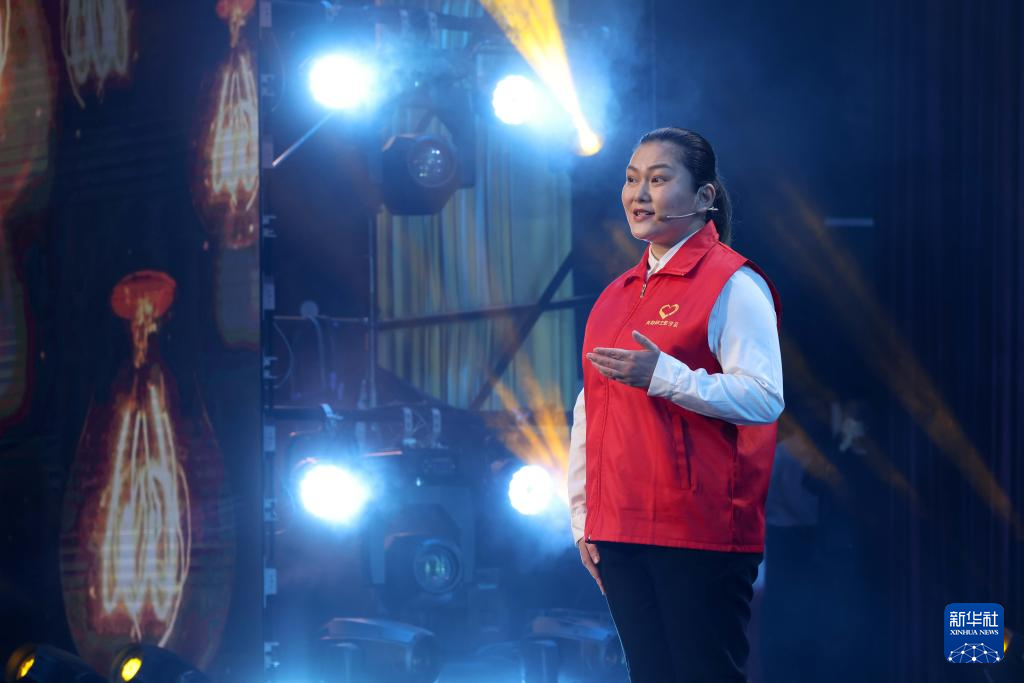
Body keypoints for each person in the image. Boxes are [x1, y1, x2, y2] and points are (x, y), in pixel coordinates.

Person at [567, 127, 785, 682]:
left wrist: (665, 376)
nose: (639, 194)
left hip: (699, 529)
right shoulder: (617, 293)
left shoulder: (733, 284)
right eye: (631, 179)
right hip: (620, 528)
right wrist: (583, 515)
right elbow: (591, 408)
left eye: (659, 179)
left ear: (704, 196)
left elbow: (765, 397)